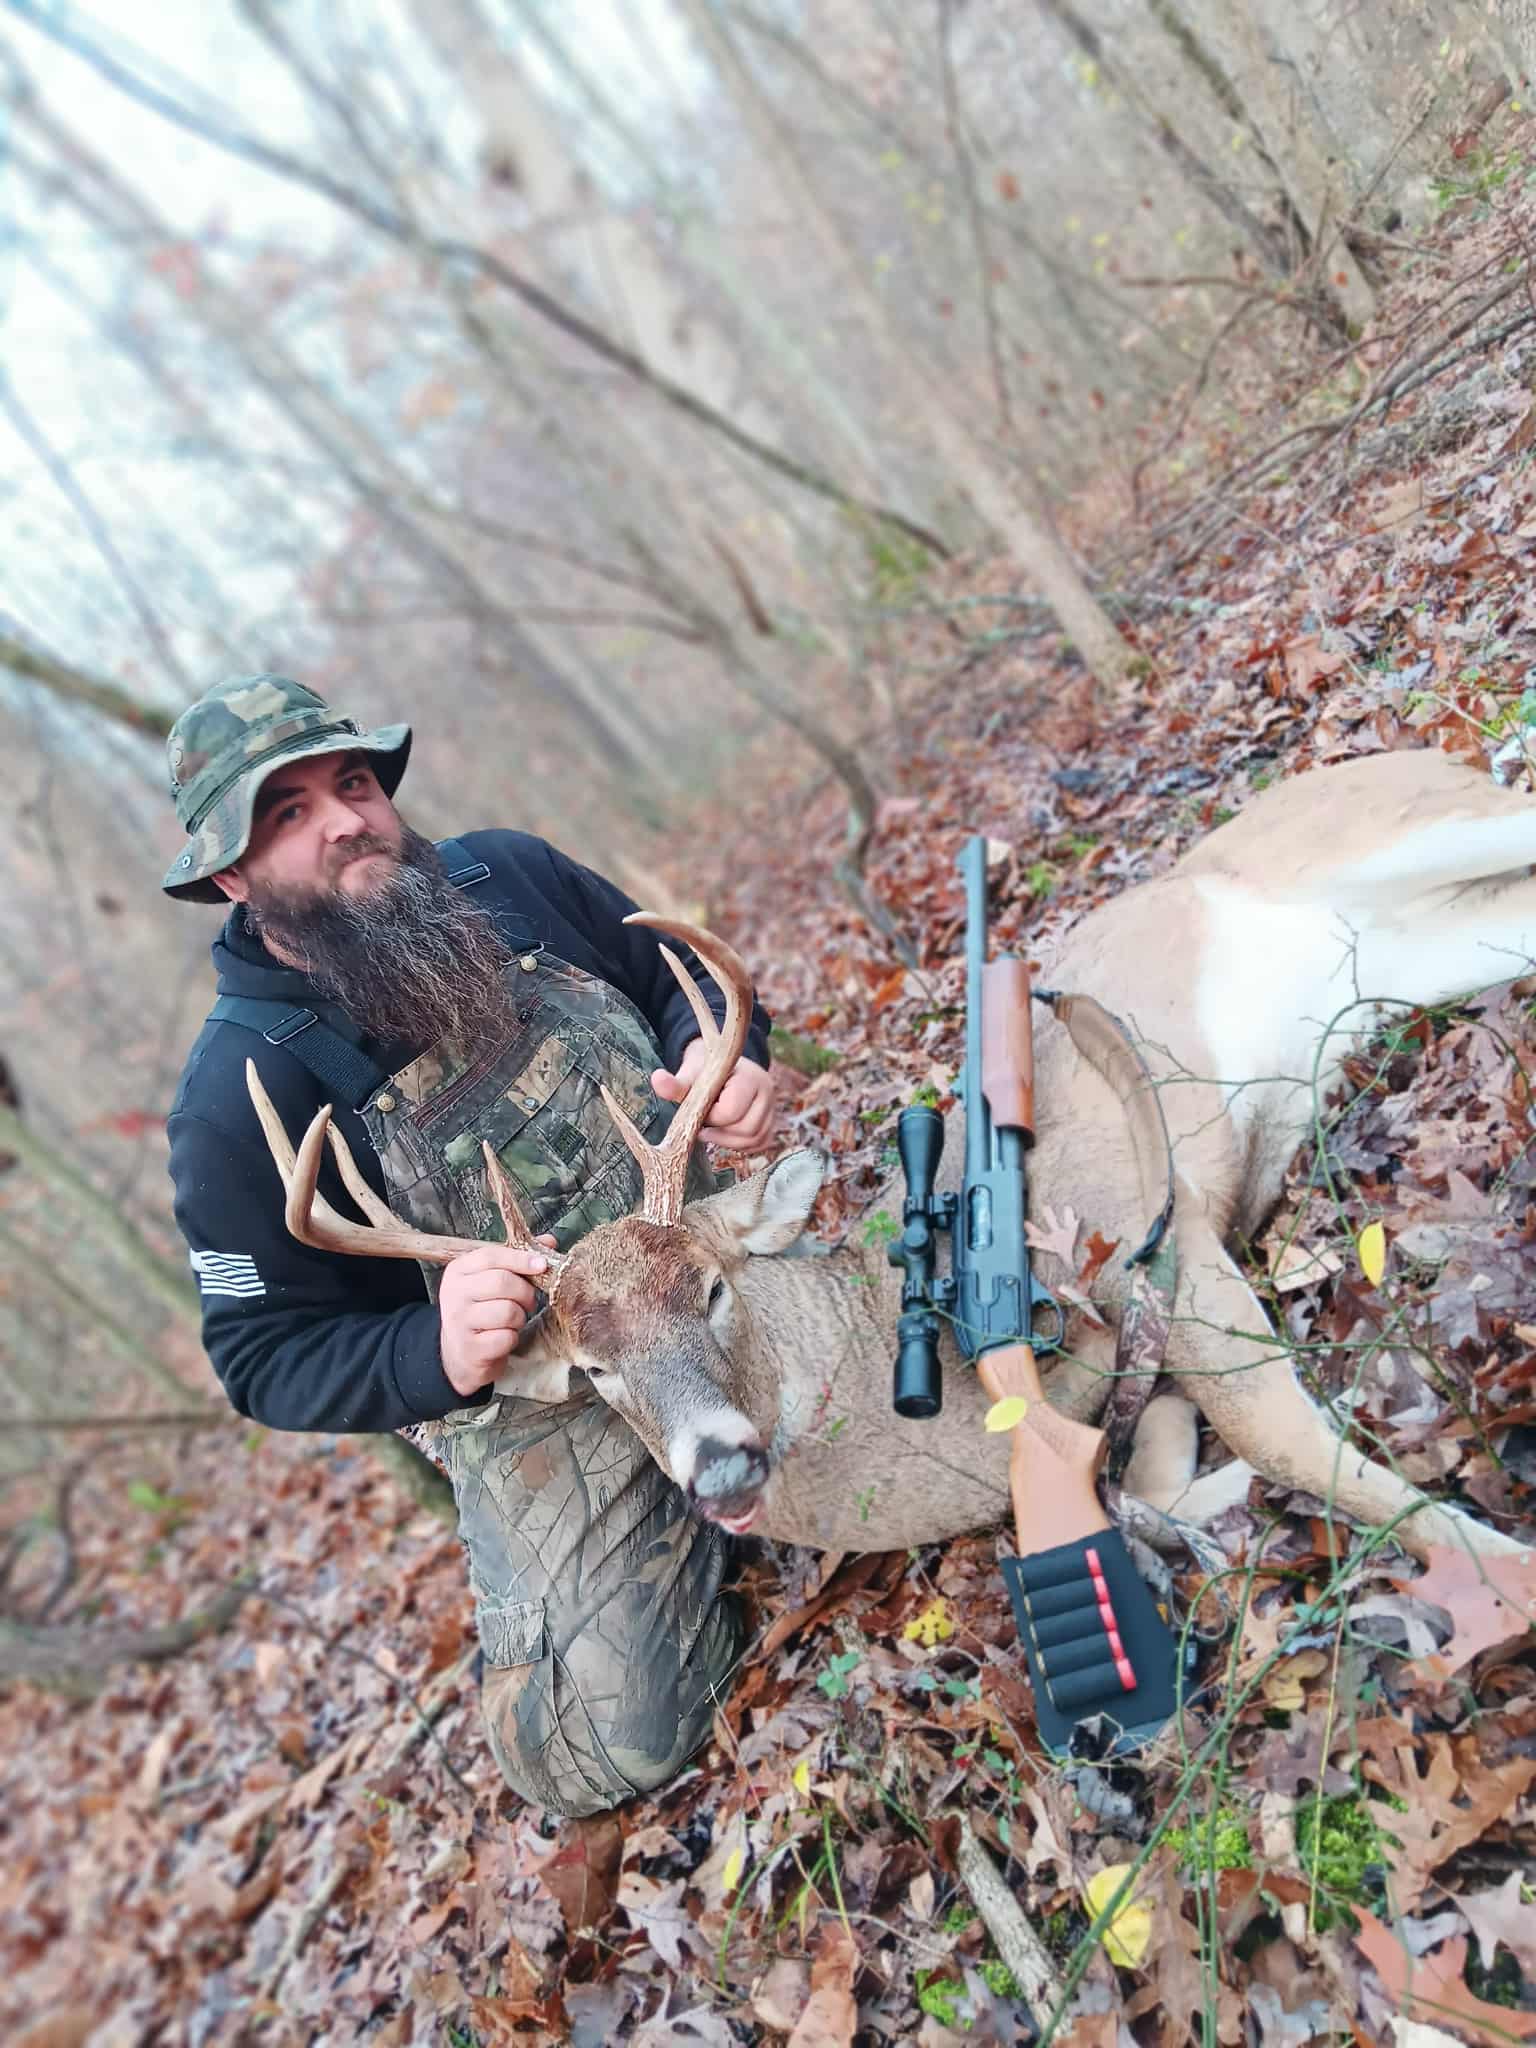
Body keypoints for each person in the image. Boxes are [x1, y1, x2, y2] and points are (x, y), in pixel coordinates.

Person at [163, 674, 776, 1816]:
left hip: (707, 1271)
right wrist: (430, 1349)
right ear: (230, 876)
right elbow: (260, 1354)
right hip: (550, 1400)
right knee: (623, 1739)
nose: (344, 819)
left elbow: (678, 982)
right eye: (288, 812)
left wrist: (726, 1064)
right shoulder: (235, 1096)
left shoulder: (508, 876)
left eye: (353, 783)